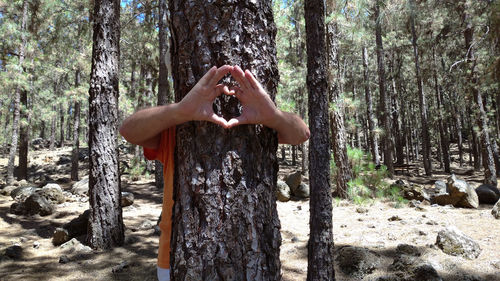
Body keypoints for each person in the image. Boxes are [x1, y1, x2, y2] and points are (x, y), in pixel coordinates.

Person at [119, 65, 310, 281]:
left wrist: (273, 116)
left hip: (250, 258)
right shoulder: (177, 130)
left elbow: (301, 133)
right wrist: (179, 111)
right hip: (176, 258)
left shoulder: (257, 126)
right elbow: (128, 130)